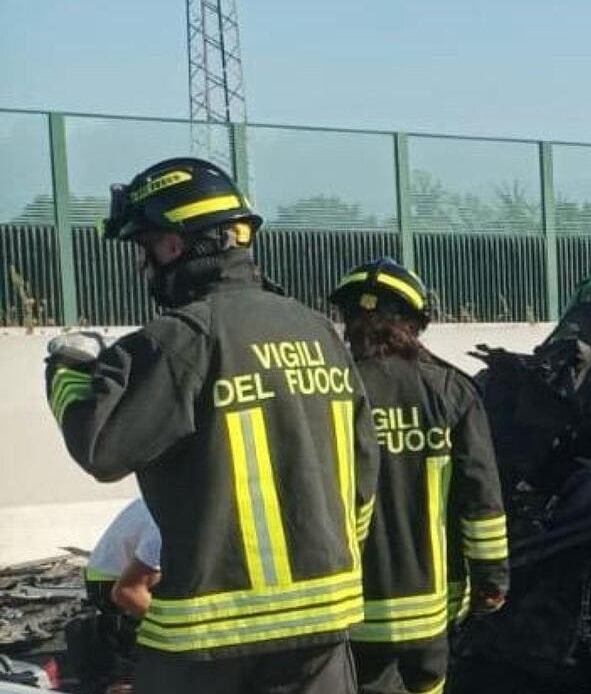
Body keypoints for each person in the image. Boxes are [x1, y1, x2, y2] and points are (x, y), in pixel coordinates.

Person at [44, 157, 380, 694]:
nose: (143, 267)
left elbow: (102, 447)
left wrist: (66, 371)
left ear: (175, 245)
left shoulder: (179, 338)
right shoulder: (319, 332)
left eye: (146, 248)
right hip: (325, 623)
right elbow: (364, 474)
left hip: (211, 640)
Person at [329, 258, 509, 694]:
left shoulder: (332, 390)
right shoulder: (450, 391)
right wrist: (492, 579)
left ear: (350, 322)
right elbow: (481, 498)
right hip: (433, 610)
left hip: (350, 612)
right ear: (414, 322)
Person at [81, 498, 161, 694]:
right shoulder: (169, 524)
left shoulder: (165, 494)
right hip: (112, 581)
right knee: (132, 666)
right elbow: (129, 592)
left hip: (112, 572)